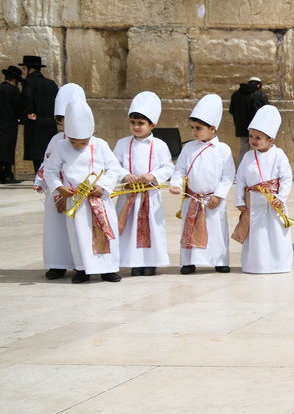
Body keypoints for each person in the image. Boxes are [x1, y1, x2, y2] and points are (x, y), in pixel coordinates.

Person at [44, 100, 122, 284]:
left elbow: (114, 169)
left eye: (83, 142)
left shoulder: (101, 145)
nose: (79, 146)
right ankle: (82, 269)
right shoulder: (60, 146)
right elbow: (50, 170)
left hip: (99, 198)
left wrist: (102, 186)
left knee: (105, 232)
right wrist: (60, 188)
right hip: (75, 200)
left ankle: (108, 269)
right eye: (74, 142)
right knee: (79, 235)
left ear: (92, 132)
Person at [170, 94, 236, 274]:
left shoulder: (223, 149)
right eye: (192, 128)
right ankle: (188, 262)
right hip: (191, 198)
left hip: (212, 200)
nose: (194, 132)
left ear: (212, 128)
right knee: (189, 228)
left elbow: (228, 175)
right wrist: (175, 184)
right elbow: (180, 170)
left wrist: (219, 195)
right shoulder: (189, 148)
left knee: (216, 230)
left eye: (198, 128)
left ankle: (220, 260)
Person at [113, 91, 174, 276]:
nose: (136, 127)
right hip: (128, 194)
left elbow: (168, 167)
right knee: (129, 228)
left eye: (141, 123)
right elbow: (113, 165)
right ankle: (133, 261)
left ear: (152, 125)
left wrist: (153, 175)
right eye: (133, 123)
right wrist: (125, 175)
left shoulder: (160, 145)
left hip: (149, 195)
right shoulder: (122, 143)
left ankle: (151, 261)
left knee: (151, 228)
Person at [231, 105, 293, 274]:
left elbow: (286, 178)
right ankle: (255, 264)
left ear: (270, 139)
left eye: (258, 137)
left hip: (272, 202)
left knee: (274, 232)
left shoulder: (279, 155)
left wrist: (282, 196)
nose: (253, 140)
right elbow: (241, 179)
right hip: (253, 203)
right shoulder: (248, 156)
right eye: (251, 136)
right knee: (256, 235)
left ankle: (278, 264)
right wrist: (239, 200)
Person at [37, 82, 85, 279]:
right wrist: (40, 181)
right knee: (56, 229)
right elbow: (46, 162)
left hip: (77, 193)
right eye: (62, 120)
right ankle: (57, 263)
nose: (66, 124)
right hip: (57, 191)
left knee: (79, 228)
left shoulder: (86, 141)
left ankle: (79, 262)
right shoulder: (56, 140)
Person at [20, 54, 59, 174]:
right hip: (50, 122)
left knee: (37, 153)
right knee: (48, 151)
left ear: (30, 69)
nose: (23, 72)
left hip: (35, 122)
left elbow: (27, 98)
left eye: (24, 69)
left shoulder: (28, 83)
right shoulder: (51, 83)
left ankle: (39, 176)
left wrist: (29, 112)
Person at [228, 77, 269, 159]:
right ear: (258, 84)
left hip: (242, 127)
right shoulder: (260, 94)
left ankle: (241, 169)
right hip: (257, 128)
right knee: (258, 149)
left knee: (244, 148)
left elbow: (232, 110)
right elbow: (266, 110)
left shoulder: (236, 94)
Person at [0, 65, 22, 183]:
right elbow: (18, 108)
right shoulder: (13, 90)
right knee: (8, 149)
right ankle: (7, 175)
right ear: (15, 79)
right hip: (9, 124)